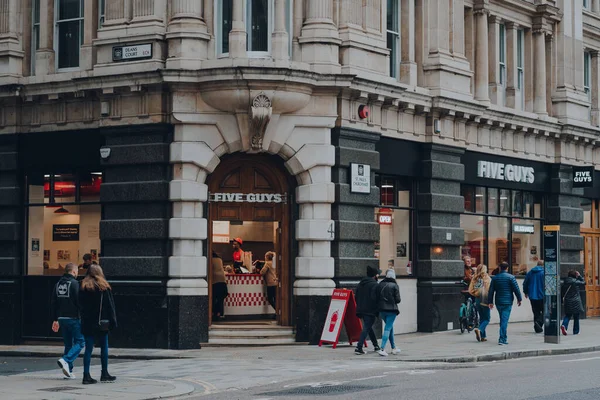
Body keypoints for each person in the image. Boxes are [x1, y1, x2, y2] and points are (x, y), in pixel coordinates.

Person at [79, 265, 117, 384]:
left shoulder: (83, 286)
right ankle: (104, 373)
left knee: (88, 349)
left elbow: (79, 305)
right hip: (101, 322)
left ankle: (86, 375)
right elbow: (110, 306)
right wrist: (113, 321)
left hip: (87, 322)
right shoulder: (103, 287)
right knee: (104, 347)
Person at [50, 263, 84, 379]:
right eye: (77, 272)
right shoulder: (75, 284)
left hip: (61, 319)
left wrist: (55, 319)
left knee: (68, 344)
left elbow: (53, 303)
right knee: (80, 342)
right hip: (73, 318)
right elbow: (80, 302)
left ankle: (68, 371)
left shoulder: (58, 284)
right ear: (74, 272)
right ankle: (66, 360)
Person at [487, 262, 522, 345]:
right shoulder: (511, 277)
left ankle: (503, 337)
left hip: (499, 301)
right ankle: (502, 339)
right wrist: (519, 299)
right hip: (508, 301)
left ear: (499, 268)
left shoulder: (495, 278)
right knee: (504, 320)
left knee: (502, 319)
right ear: (507, 268)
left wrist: (490, 302)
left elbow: (491, 291)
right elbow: (516, 289)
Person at [354, 265, 381, 355]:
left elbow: (356, 296)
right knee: (366, 327)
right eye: (377, 274)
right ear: (374, 275)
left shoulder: (361, 283)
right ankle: (359, 347)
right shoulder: (374, 285)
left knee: (368, 327)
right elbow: (375, 298)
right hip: (370, 310)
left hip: (361, 309)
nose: (378, 276)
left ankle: (376, 345)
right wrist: (377, 309)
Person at [377, 269, 401, 356]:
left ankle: (393, 347)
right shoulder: (394, 285)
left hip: (382, 310)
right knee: (388, 328)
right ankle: (382, 348)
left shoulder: (380, 284)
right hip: (391, 310)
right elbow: (398, 300)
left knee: (390, 328)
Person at [469, 264, 492, 342]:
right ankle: (479, 330)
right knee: (487, 318)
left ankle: (483, 337)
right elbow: (490, 290)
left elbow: (470, 290)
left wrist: (476, 294)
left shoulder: (474, 278)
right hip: (485, 299)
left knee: (482, 318)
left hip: (477, 299)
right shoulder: (487, 278)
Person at [523, 260, 545, 333]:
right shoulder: (544, 273)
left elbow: (525, 283)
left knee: (536, 312)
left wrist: (525, 292)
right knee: (546, 311)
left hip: (532, 295)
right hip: (543, 295)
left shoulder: (530, 273)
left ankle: (537, 328)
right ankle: (539, 322)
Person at [561, 270, 585, 336]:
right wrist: (579, 276)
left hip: (567, 301)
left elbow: (562, 293)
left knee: (568, 315)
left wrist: (561, 301)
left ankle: (564, 325)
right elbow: (584, 282)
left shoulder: (564, 282)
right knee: (576, 317)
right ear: (575, 275)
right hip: (576, 301)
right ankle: (576, 331)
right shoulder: (575, 282)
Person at [212, 252, 228, 321]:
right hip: (223, 281)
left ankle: (214, 314)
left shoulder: (210, 260)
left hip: (215, 281)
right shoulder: (219, 259)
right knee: (220, 299)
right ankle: (219, 313)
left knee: (213, 298)